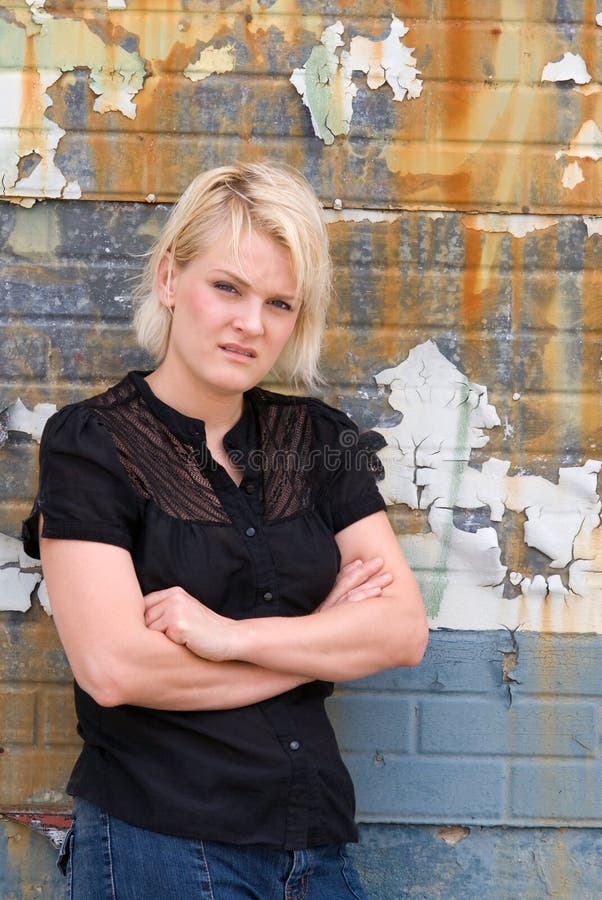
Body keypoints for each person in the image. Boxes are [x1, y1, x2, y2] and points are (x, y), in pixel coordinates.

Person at [22, 161, 428, 900]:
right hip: (163, 845)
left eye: (280, 303)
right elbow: (117, 670)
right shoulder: (91, 443)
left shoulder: (317, 440)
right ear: (171, 278)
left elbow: (399, 631)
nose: (251, 324)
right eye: (228, 287)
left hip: (316, 845)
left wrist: (230, 636)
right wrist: (324, 639)